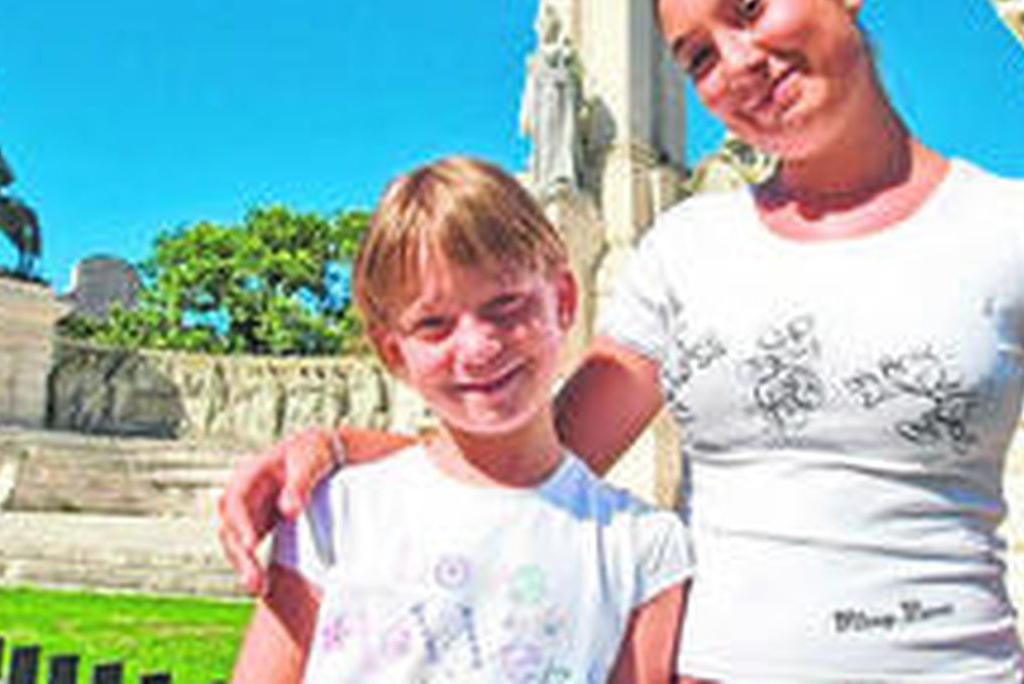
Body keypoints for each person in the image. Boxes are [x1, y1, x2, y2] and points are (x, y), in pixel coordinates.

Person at [221, 0, 1024, 682]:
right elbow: (541, 455)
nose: (738, 62)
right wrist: (342, 451)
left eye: (750, 7)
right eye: (697, 56)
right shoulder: (685, 248)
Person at [229, 156, 690, 684]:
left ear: (563, 301)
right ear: (393, 352)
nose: (477, 347)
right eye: (434, 324)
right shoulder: (334, 512)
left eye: (505, 305)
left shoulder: (644, 550)